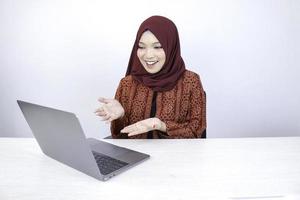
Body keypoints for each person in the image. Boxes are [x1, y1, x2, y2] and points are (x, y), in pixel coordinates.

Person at [95, 15, 206, 139]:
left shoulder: (190, 81)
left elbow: (197, 133)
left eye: (157, 47)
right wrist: (120, 117)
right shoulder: (127, 84)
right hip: (136, 156)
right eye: (141, 47)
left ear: (171, 47)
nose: (148, 55)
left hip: (175, 156)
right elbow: (120, 138)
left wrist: (161, 125)